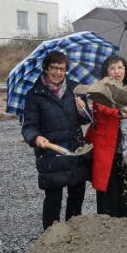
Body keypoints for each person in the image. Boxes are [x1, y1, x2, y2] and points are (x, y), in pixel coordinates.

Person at [22, 51, 90, 230]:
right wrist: (36, 138)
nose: (58, 72)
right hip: (52, 155)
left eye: (62, 69)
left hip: (75, 152)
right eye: (54, 68)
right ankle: (51, 239)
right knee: (53, 200)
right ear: (46, 68)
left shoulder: (75, 90)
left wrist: (83, 110)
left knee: (76, 198)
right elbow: (28, 126)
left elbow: (86, 120)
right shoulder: (35, 95)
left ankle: (74, 235)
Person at [86, 55, 127, 217]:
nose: (117, 71)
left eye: (120, 67)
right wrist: (121, 112)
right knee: (108, 183)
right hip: (107, 144)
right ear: (106, 72)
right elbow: (103, 108)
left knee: (125, 181)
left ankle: (124, 217)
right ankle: (106, 219)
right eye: (112, 68)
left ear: (126, 70)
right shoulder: (100, 88)